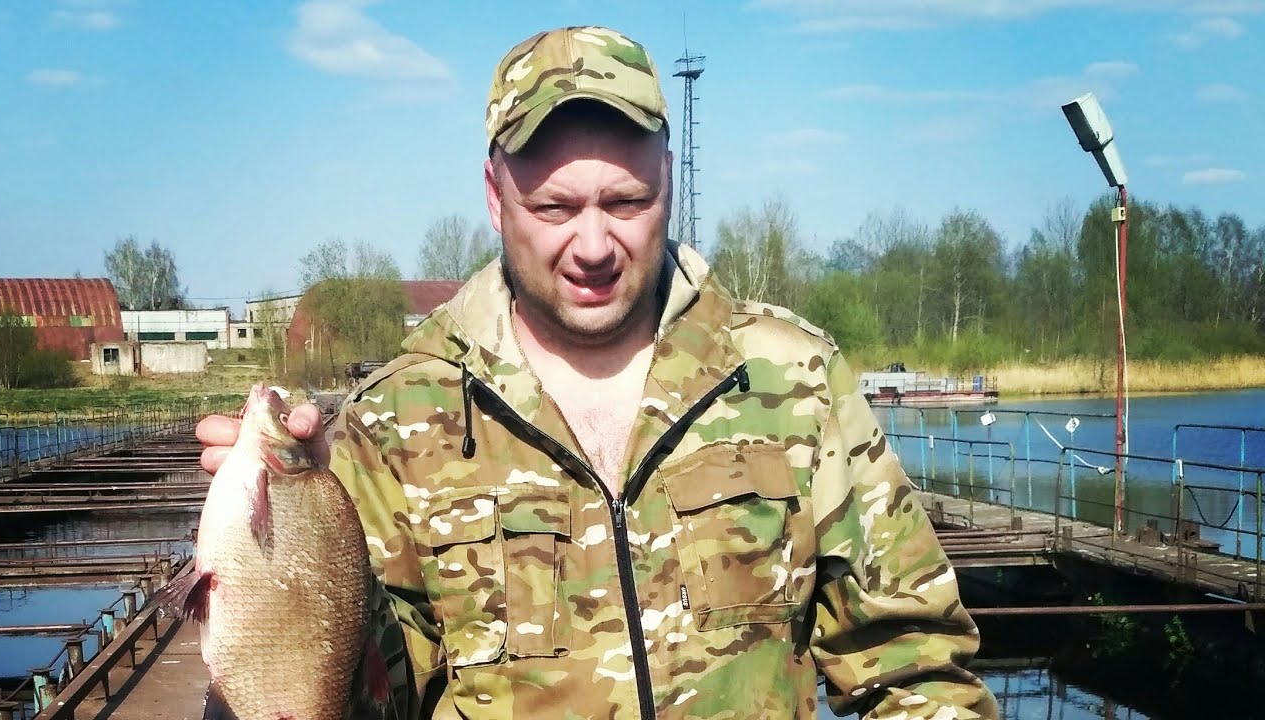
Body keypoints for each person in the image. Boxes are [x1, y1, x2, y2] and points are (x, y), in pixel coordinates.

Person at [199, 25, 1000, 720]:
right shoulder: (397, 422)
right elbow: (371, 698)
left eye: (625, 202)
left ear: (669, 182)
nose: (591, 246)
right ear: (494, 196)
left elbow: (912, 661)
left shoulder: (793, 377)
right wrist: (280, 568)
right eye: (554, 209)